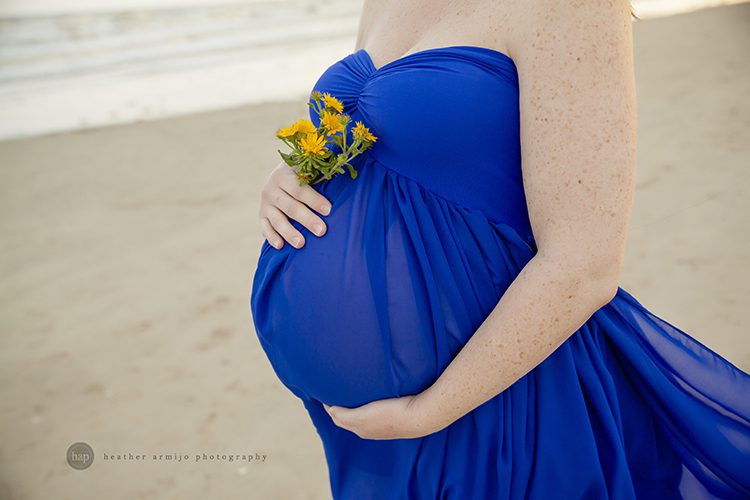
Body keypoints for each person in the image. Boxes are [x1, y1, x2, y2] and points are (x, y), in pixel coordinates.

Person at [250, 0, 750, 498]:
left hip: (500, 406)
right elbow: (366, 128)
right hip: (369, 435)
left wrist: (429, 411)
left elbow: (584, 264)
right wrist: (297, 173)